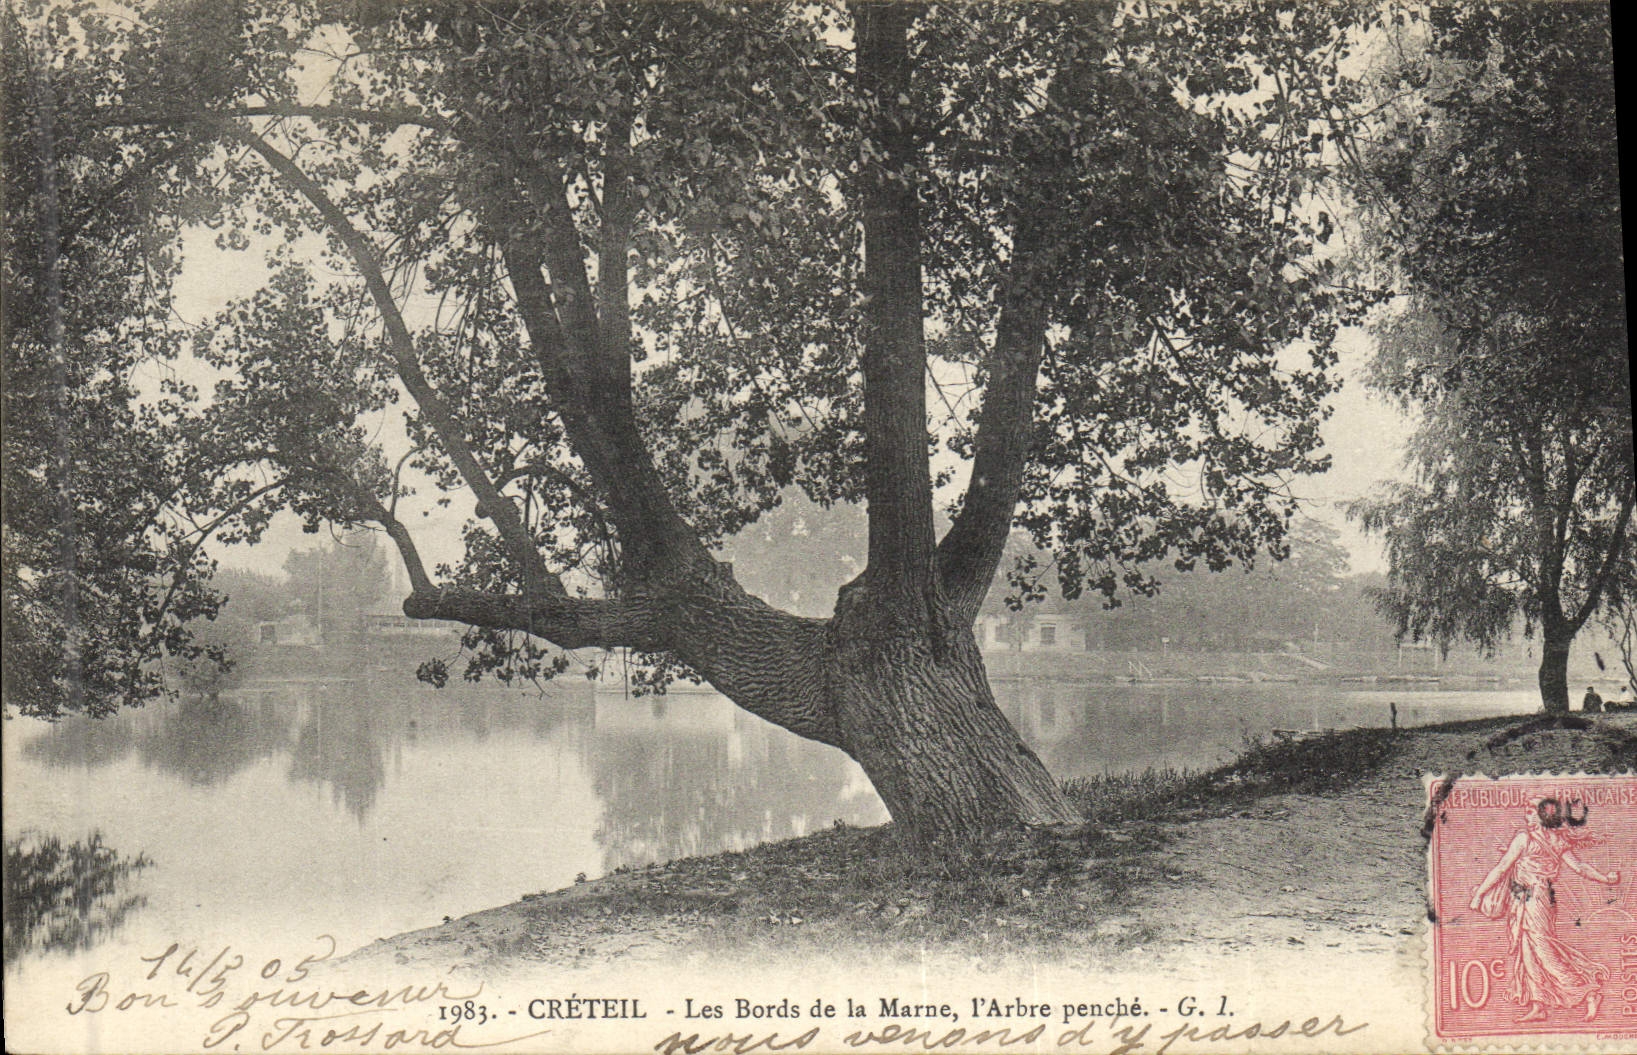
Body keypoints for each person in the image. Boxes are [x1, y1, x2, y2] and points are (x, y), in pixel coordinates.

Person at [1469, 797, 1620, 1022]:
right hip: (1533, 897)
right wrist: (1605, 879)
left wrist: (1480, 894)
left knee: (1542, 949)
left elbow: (1501, 869)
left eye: (1530, 812)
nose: (1526, 817)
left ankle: (1588, 992)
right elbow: (1579, 867)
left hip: (1534, 898)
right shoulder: (1554, 840)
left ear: (1542, 815)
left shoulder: (1524, 839)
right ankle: (1538, 1005)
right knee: (1528, 951)